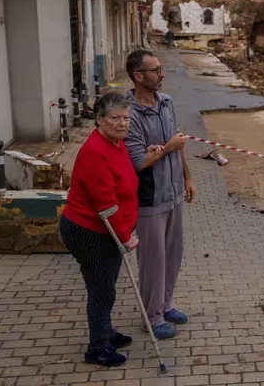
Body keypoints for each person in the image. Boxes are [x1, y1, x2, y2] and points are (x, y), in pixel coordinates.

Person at [59, 93, 141, 367]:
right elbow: (106, 206)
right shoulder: (96, 151)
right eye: (115, 118)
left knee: (106, 286)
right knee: (101, 289)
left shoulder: (117, 144)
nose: (122, 123)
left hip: (107, 231)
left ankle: (105, 331)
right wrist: (125, 237)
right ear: (99, 120)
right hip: (90, 231)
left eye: (126, 118)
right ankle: (97, 347)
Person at [124, 49, 197, 339]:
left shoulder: (166, 102)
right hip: (149, 200)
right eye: (156, 71)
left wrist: (187, 177)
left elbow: (178, 143)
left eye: (162, 69)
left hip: (174, 193)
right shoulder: (130, 114)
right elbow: (138, 161)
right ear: (138, 76)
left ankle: (166, 305)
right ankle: (151, 317)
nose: (162, 74)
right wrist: (166, 148)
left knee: (173, 254)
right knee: (152, 260)